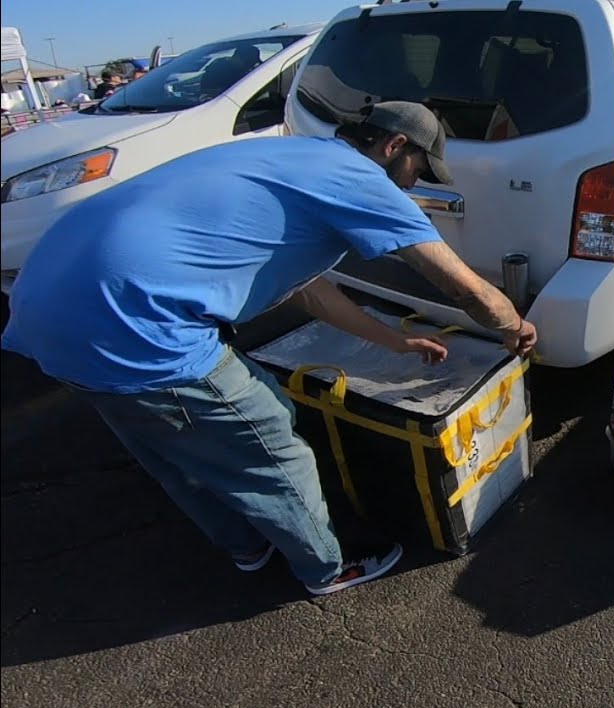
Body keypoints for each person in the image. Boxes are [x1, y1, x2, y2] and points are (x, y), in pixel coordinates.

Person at [2, 101, 538, 596]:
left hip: (46, 307)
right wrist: (514, 325)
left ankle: (247, 544)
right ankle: (329, 566)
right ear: (395, 147)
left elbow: (309, 289)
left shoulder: (291, 155)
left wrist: (394, 340)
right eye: (420, 169)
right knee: (268, 437)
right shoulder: (360, 178)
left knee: (168, 437)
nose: (416, 183)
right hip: (133, 326)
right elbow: (461, 286)